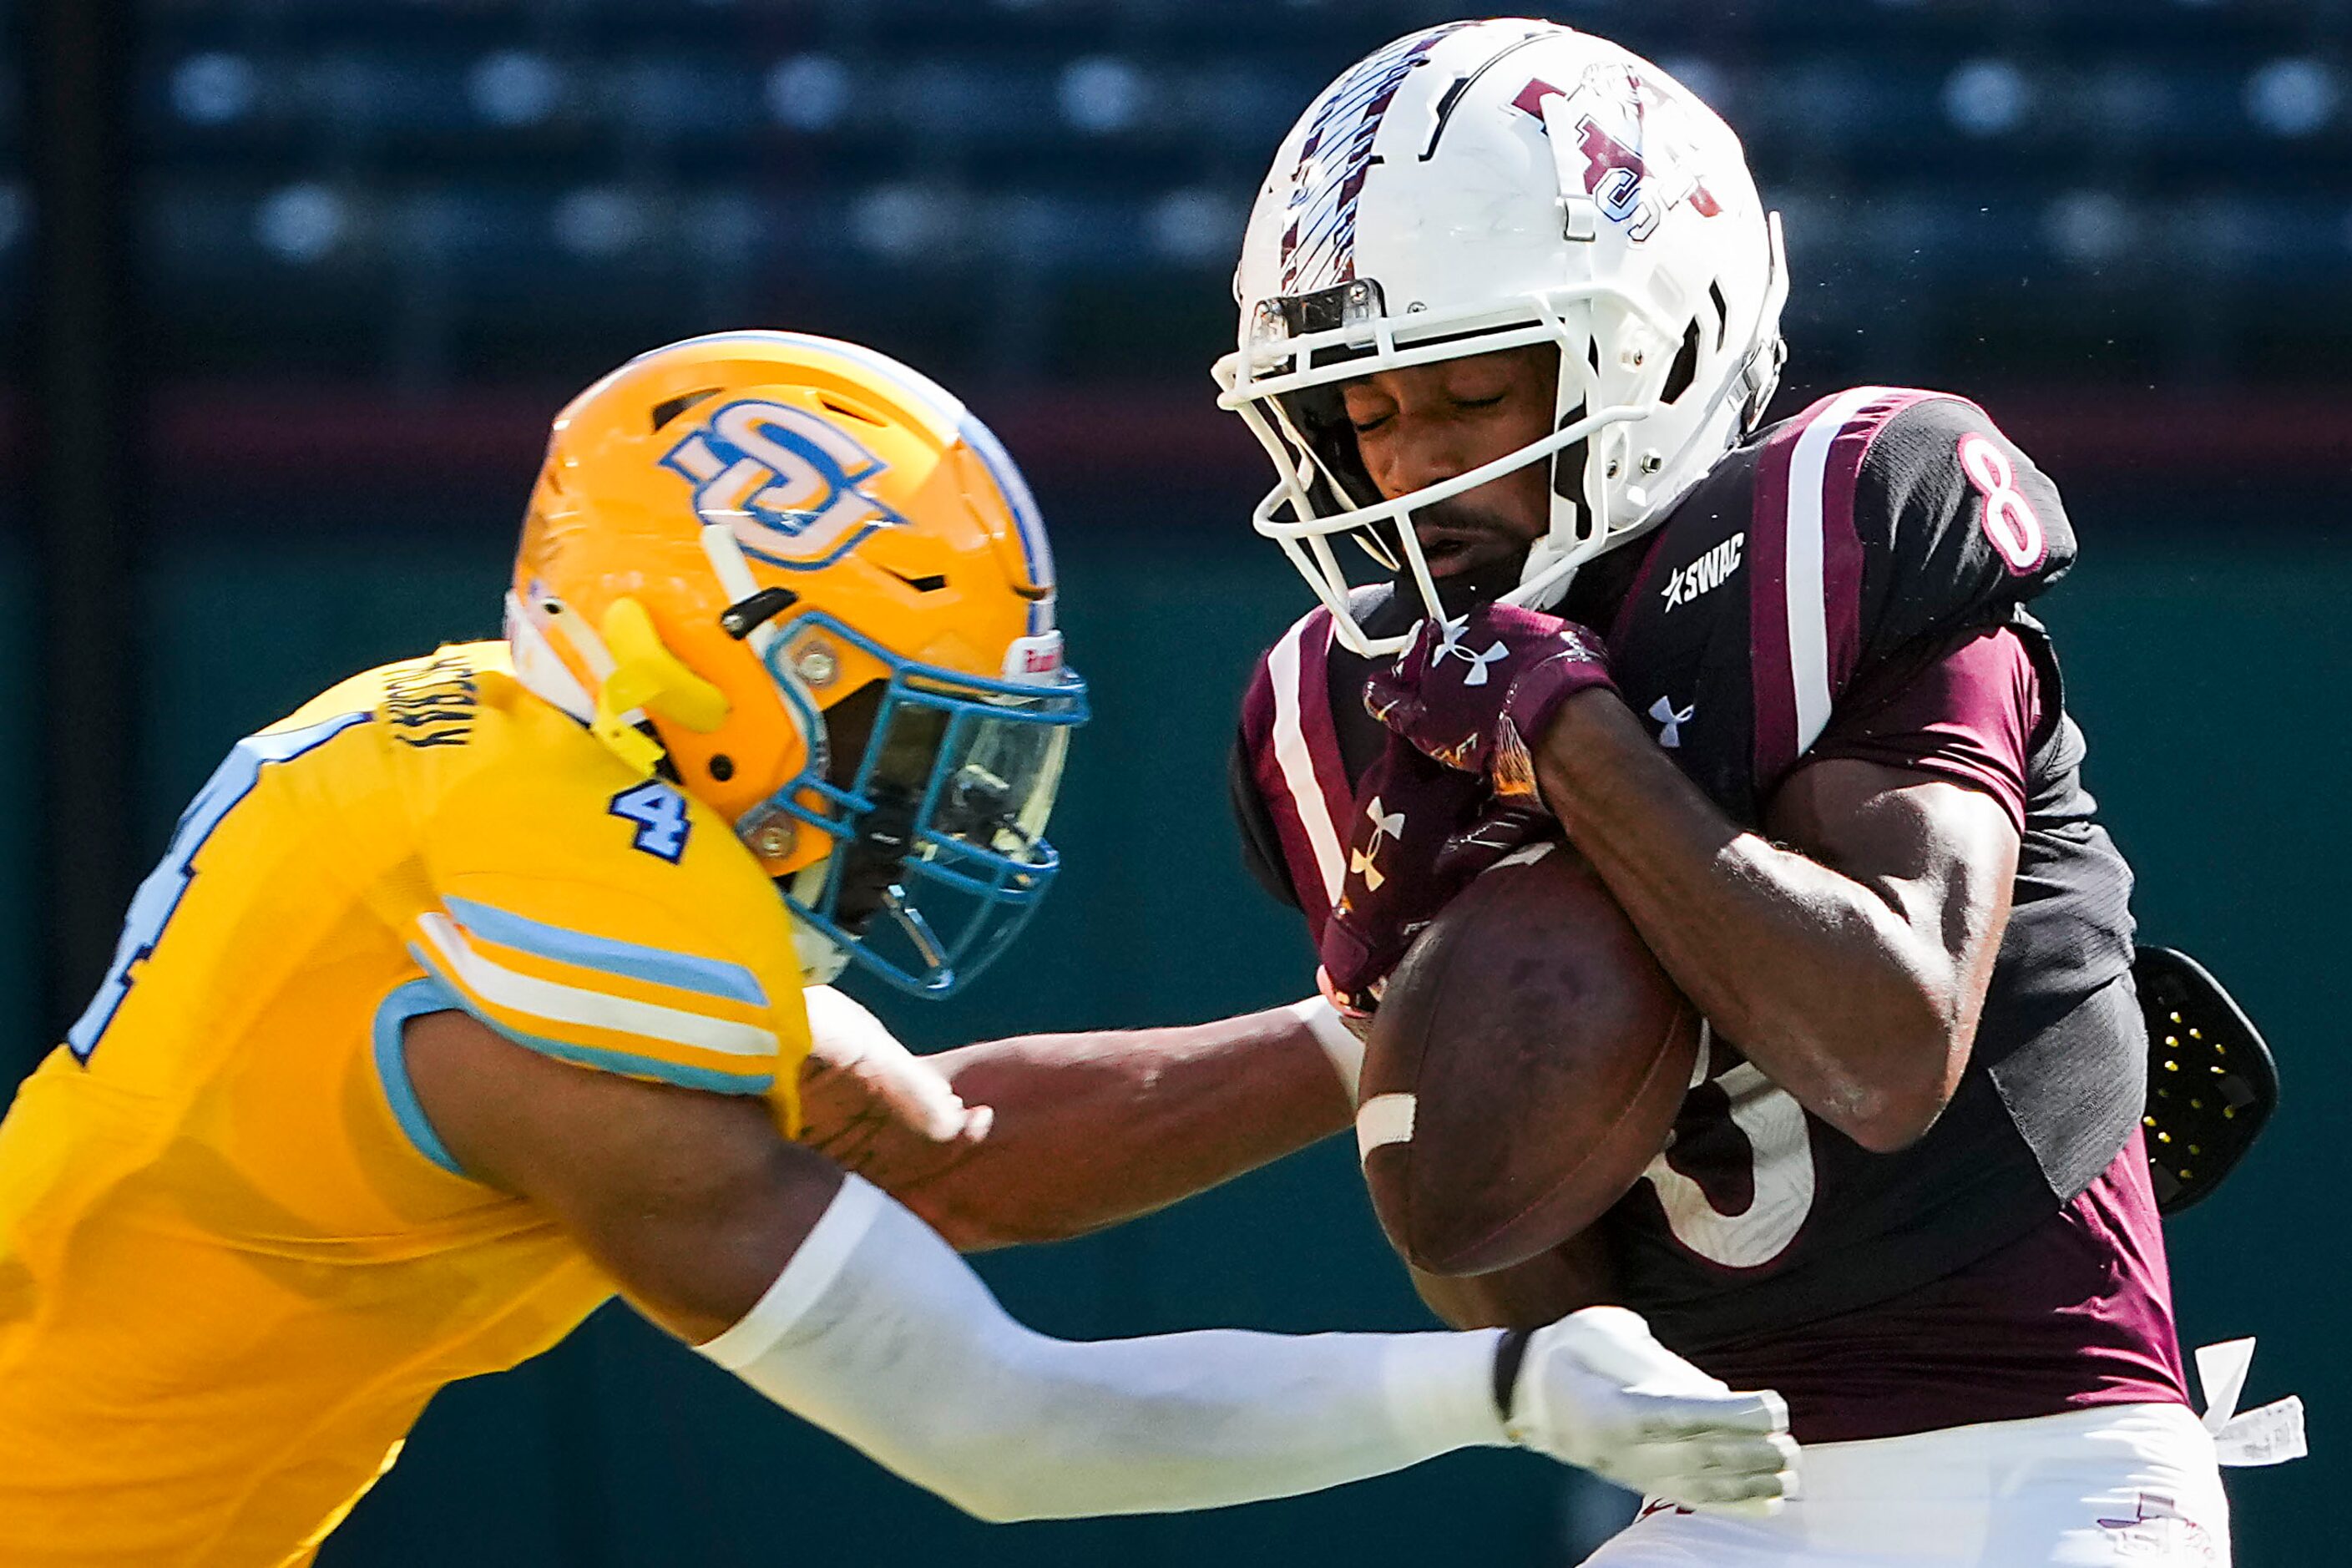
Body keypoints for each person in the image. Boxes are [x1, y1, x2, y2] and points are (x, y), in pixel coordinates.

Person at [0, 330, 1797, 1565]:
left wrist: (1372, 1028)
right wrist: (1500, 1390)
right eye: (888, 720)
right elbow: (1007, 1434)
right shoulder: (556, 967)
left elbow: (944, 1153)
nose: (929, 791)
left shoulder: (511, 772)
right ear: (723, 658)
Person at [1201, 18, 2261, 1566]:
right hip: (1722, 1500)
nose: (1406, 473)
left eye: (1469, 397)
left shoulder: (1847, 514)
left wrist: (1573, 741)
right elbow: (1532, 1295)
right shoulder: (1348, 703)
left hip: (2049, 1462)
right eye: (1366, 415)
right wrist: (1412, 1030)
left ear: (1655, 343)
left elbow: (1885, 1046)